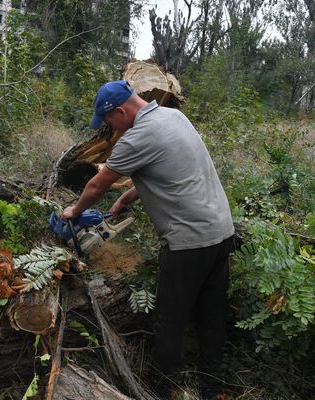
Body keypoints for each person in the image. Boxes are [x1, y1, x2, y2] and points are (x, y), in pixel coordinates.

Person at [60, 80, 235, 399]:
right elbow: (170, 167)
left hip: (188, 242)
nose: (111, 130)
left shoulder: (136, 137)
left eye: (109, 122)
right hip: (221, 232)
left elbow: (98, 185)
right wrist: (128, 197)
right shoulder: (173, 117)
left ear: (121, 111)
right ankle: (211, 387)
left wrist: (74, 210)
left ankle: (161, 388)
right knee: (212, 313)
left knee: (169, 320)